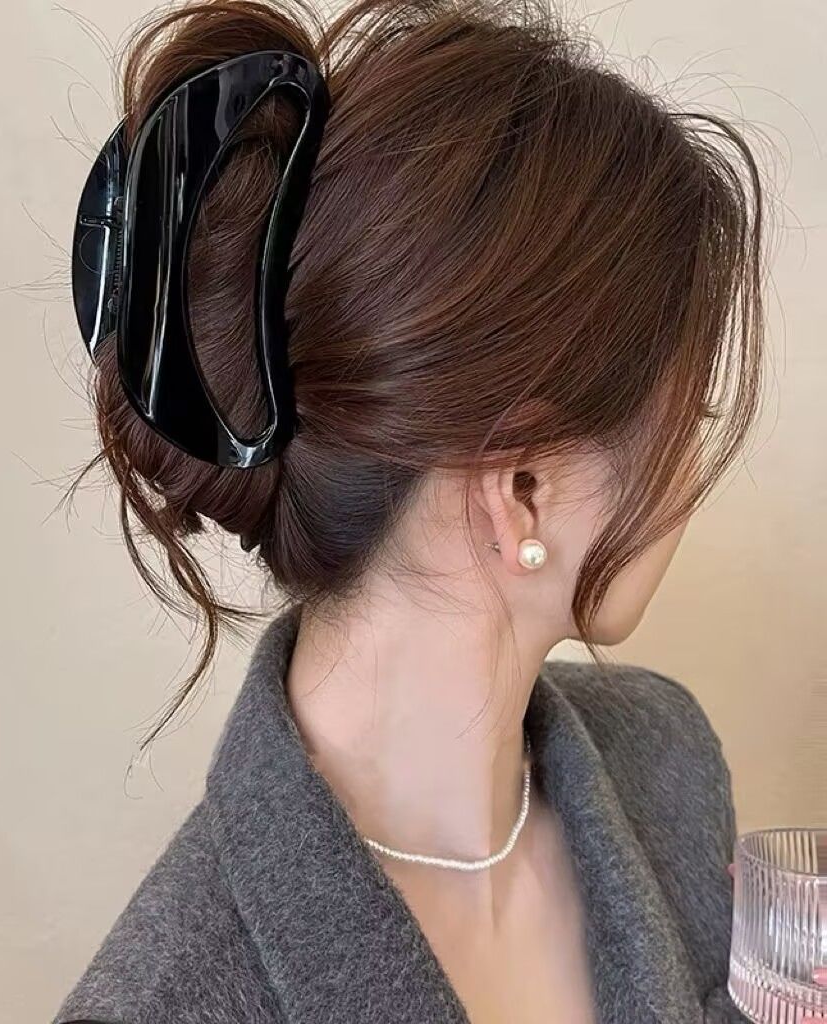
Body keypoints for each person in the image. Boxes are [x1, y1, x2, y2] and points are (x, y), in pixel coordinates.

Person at [53, 0, 768, 1020]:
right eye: (687, 420)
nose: (696, 475)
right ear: (523, 491)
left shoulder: (665, 759)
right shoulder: (170, 1000)